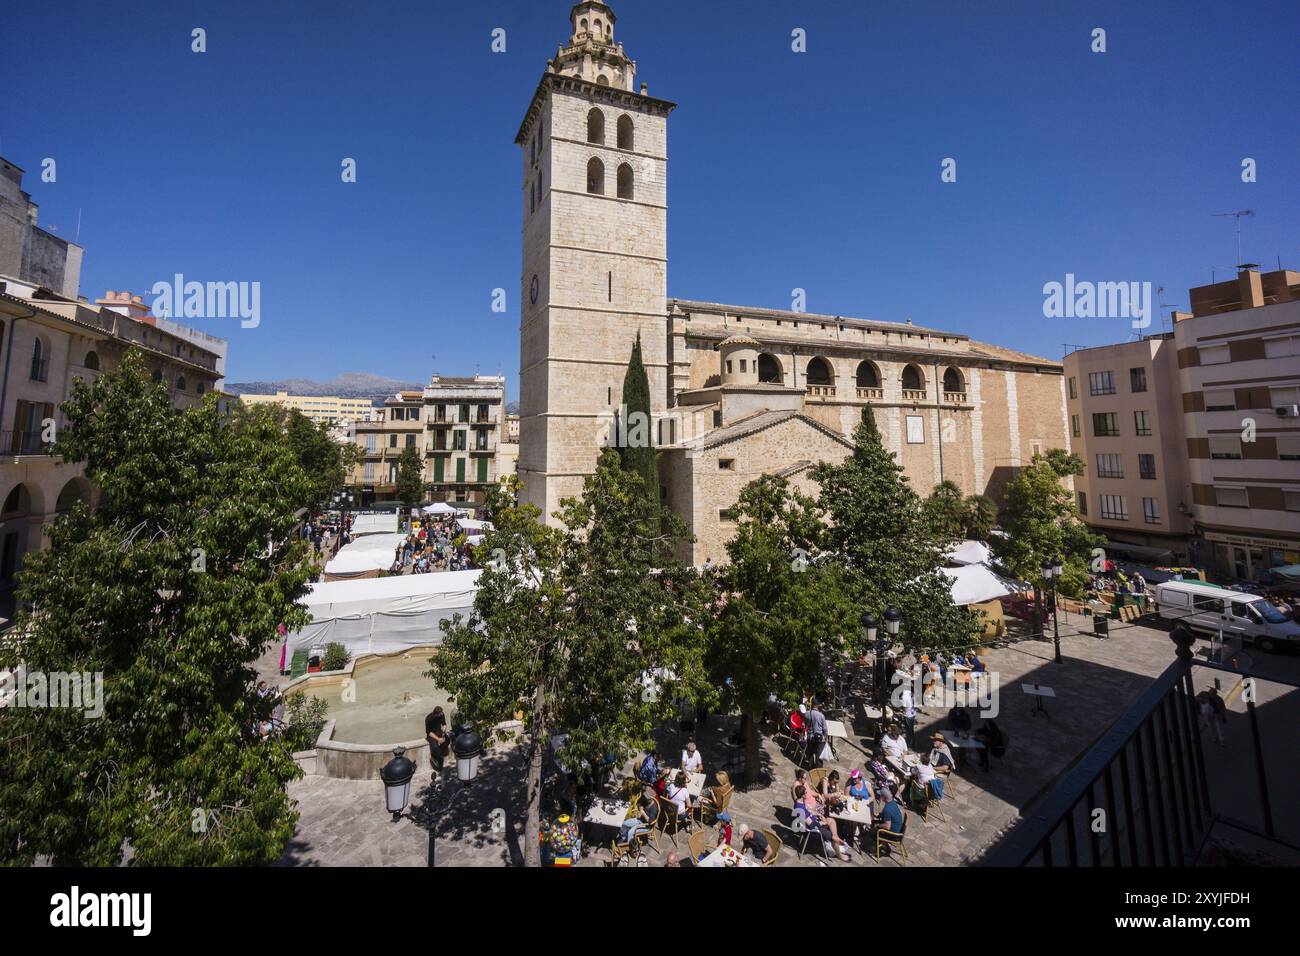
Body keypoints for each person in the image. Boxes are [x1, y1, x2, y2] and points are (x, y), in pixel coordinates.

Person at [793, 785, 850, 862]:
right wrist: (822, 823)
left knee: (831, 820)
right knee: (832, 838)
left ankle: (835, 836)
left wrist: (820, 815)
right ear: (803, 795)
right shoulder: (800, 809)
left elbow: (810, 811)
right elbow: (812, 825)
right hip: (812, 830)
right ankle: (839, 854)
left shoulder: (800, 801)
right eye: (806, 792)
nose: (808, 794)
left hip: (815, 822)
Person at [425, 706, 451, 771]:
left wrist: (444, 731)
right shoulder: (428, 719)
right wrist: (438, 739)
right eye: (440, 714)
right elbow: (429, 732)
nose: (441, 714)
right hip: (432, 735)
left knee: (448, 739)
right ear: (436, 714)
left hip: (439, 732)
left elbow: (444, 724)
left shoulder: (442, 715)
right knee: (436, 748)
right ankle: (439, 766)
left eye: (442, 713)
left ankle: (443, 751)